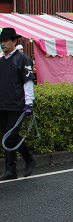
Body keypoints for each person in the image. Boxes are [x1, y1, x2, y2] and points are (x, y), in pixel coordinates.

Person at [0, 28, 36, 180]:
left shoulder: (22, 59)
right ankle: (11, 170)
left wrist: (28, 103)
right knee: (4, 137)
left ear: (15, 41)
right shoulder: (1, 60)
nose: (3, 44)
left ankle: (28, 159)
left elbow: (28, 82)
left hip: (17, 105)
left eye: (6, 41)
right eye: (1, 41)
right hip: (2, 104)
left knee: (11, 136)